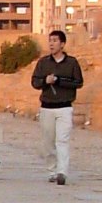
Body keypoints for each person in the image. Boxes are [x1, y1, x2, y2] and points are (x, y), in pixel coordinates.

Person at [31, 29, 84, 185]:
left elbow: (78, 82)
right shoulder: (43, 63)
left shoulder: (72, 63)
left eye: (55, 41)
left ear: (62, 44)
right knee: (48, 142)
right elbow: (34, 82)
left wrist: (59, 81)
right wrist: (45, 81)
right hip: (47, 107)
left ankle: (62, 171)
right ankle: (52, 170)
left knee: (63, 140)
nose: (52, 44)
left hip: (65, 107)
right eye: (50, 40)